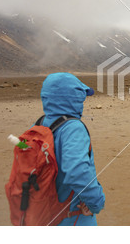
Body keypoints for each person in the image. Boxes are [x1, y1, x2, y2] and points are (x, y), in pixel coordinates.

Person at [40, 72, 105, 226]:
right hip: (71, 217)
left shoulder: (39, 125)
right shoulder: (73, 128)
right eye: (80, 96)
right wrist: (96, 203)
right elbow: (77, 172)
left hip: (41, 214)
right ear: (73, 98)